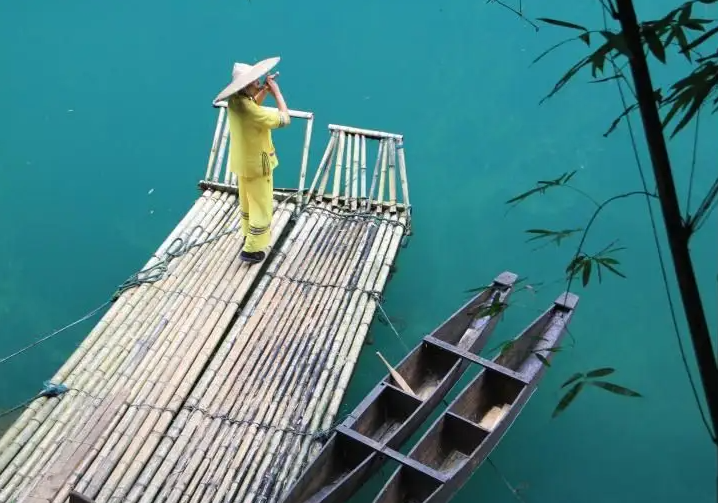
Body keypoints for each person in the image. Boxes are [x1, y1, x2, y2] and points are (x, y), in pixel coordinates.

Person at [212, 57, 291, 264]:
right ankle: (252, 249)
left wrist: (263, 89)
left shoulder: (236, 101)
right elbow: (284, 120)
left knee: (248, 203)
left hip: (242, 163)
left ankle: (248, 235)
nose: (258, 83)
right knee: (262, 206)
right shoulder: (251, 111)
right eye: (255, 82)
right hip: (258, 165)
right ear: (245, 85)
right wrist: (277, 94)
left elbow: (252, 103)